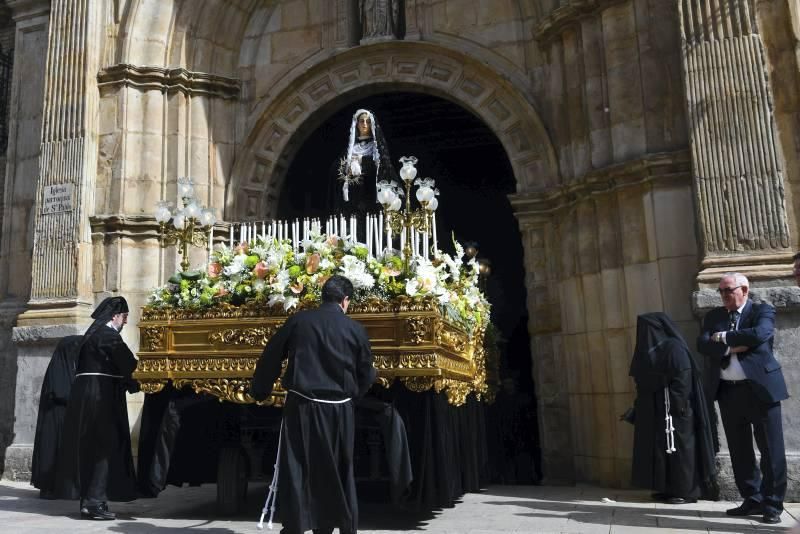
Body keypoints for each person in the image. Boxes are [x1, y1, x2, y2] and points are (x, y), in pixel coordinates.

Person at [251, 275, 376, 534]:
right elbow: (367, 372)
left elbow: (271, 356)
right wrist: (355, 397)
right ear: (345, 301)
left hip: (302, 408)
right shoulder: (355, 329)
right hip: (340, 411)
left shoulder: (299, 321)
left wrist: (259, 391)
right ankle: (334, 525)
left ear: (323, 297)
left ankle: (296, 525)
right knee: (339, 469)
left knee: (298, 467)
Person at [697, 273, 788, 524]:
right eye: (721, 291)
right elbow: (703, 344)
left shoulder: (762, 310)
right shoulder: (715, 316)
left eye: (729, 290)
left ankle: (772, 505)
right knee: (740, 451)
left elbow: (759, 335)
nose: (725, 295)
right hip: (728, 391)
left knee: (771, 450)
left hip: (760, 390)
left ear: (744, 289)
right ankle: (753, 498)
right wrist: (733, 345)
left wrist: (723, 338)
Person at [55, 296, 139, 520]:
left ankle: (89, 502)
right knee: (103, 448)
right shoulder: (108, 336)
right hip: (100, 397)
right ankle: (93, 503)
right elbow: (128, 363)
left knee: (91, 449)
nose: (126, 322)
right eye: (125, 317)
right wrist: (139, 381)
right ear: (115, 316)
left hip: (87, 396)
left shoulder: (92, 336)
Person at [629, 313, 716, 504]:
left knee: (681, 451)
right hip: (660, 409)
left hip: (677, 410)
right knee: (663, 450)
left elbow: (682, 377)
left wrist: (678, 405)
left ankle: (686, 491)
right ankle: (667, 488)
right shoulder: (652, 350)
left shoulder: (674, 348)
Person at [31, 334, 82, 498]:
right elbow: (61, 393)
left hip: (65, 418)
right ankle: (49, 487)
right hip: (55, 419)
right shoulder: (58, 368)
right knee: (52, 450)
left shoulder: (72, 367)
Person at [332, 108, 397, 217]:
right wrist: (347, 167)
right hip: (352, 196)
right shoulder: (349, 150)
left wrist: (362, 160)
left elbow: (384, 168)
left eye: (368, 121)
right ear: (357, 124)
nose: (365, 124)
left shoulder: (377, 148)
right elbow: (335, 169)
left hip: (371, 193)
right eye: (362, 121)